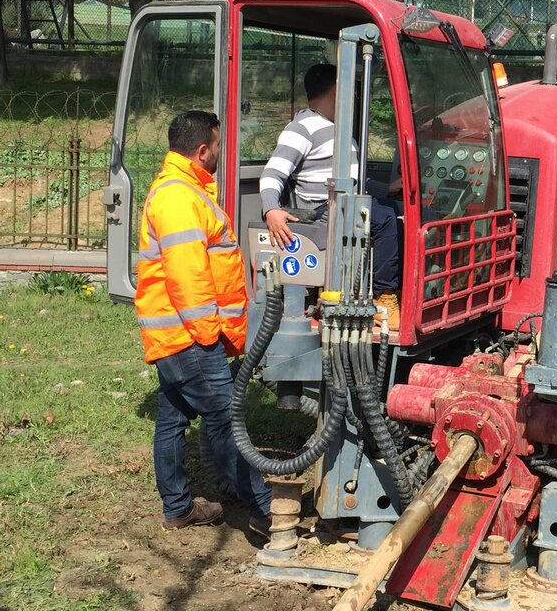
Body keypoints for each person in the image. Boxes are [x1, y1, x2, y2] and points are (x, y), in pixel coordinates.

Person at [136, 110, 272, 535]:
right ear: (201, 150)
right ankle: (266, 513)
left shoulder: (182, 191)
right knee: (225, 419)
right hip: (189, 337)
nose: (218, 153)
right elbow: (187, 275)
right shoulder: (179, 198)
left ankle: (177, 508)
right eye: (217, 146)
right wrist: (208, 335)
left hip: (174, 334)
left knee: (172, 417)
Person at [259, 63, 402, 328]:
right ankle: (384, 299)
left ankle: (393, 292)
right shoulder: (302, 128)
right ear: (338, 89)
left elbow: (354, 180)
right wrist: (271, 209)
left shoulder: (337, 129)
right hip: (324, 211)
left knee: (401, 212)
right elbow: (272, 173)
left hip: (347, 204)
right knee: (385, 220)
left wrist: (389, 189)